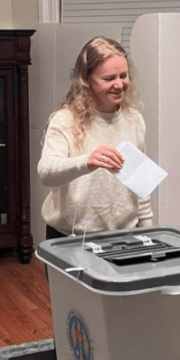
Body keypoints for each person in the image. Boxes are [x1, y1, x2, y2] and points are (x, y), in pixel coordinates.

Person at [38, 37, 152, 240]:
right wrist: (86, 162)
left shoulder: (134, 120)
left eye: (123, 76)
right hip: (70, 237)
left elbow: (140, 184)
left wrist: (148, 232)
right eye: (109, 78)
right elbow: (46, 173)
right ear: (86, 81)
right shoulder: (65, 120)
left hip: (126, 235)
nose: (119, 84)